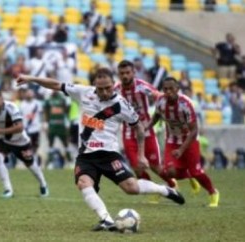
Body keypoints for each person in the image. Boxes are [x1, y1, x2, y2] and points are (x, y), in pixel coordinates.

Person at [16, 69, 185, 231]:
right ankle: (106, 219)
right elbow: (55, 85)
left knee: (131, 188)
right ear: (95, 86)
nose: (104, 92)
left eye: (108, 88)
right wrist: (31, 79)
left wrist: (141, 155)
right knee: (83, 183)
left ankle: (164, 190)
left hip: (109, 154)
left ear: (114, 85)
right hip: (86, 155)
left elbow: (139, 128)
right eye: (100, 88)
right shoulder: (84, 92)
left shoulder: (120, 104)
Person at [148, 77, 220, 207]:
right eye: (165, 89)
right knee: (169, 172)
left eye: (171, 88)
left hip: (189, 140)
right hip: (171, 140)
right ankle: (189, 176)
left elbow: (194, 130)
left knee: (196, 172)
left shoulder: (186, 104)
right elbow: (157, 115)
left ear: (177, 89)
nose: (168, 91)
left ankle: (213, 192)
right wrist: (147, 126)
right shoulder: (160, 101)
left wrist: (181, 150)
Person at [0, 89, 49, 198]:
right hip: (4, 140)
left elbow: (20, 127)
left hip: (20, 141)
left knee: (31, 165)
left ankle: (43, 184)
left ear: (2, 99)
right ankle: (8, 190)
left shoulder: (11, 107)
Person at [115, 60, 176, 190]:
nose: (125, 76)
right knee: (137, 168)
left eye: (127, 73)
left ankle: (172, 185)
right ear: (118, 74)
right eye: (122, 73)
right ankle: (155, 190)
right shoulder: (116, 89)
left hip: (147, 131)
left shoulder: (142, 86)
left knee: (155, 166)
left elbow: (158, 96)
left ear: (134, 73)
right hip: (128, 133)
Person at [43, 91, 71, 168]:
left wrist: (67, 122)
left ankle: (69, 162)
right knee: (50, 144)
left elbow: (66, 111)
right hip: (52, 125)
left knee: (66, 143)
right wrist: (45, 123)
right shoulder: (48, 100)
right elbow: (46, 112)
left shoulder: (62, 99)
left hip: (61, 124)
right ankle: (50, 163)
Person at [19, 89, 42, 163]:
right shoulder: (22, 104)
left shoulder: (37, 104)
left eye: (30, 93)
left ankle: (34, 157)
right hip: (26, 128)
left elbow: (41, 114)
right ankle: (28, 159)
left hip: (36, 128)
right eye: (27, 93)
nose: (29, 95)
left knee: (35, 145)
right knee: (27, 145)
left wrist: (43, 123)